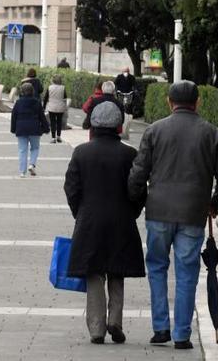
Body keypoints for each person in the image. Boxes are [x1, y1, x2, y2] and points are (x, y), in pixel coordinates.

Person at [128, 81, 218, 350]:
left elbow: (138, 173)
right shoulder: (212, 134)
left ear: (169, 102)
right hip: (193, 214)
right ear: (197, 102)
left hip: (159, 212)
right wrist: (216, 203)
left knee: (157, 267)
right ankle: (182, 334)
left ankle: (160, 327)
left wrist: (137, 201)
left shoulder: (154, 131)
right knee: (187, 273)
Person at [65, 102, 145, 345]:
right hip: (122, 219)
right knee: (117, 271)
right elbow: (138, 189)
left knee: (94, 273)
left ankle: (97, 328)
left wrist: (80, 212)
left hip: (90, 220)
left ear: (95, 125)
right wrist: (133, 211)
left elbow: (71, 188)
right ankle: (115, 321)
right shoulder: (129, 154)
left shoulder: (81, 152)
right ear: (118, 125)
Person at [10, 82, 48, 177]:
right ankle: (32, 164)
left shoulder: (19, 102)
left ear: (22, 91)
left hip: (21, 128)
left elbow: (14, 116)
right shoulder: (37, 102)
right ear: (32, 91)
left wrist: (13, 128)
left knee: (22, 150)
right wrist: (46, 128)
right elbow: (42, 116)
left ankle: (22, 171)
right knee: (35, 148)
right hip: (34, 128)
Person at [43, 75, 68, 144]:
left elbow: (45, 98)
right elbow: (65, 97)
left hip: (52, 107)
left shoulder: (49, 88)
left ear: (53, 80)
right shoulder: (63, 88)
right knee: (59, 122)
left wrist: (44, 107)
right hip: (60, 107)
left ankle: (53, 137)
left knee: (53, 122)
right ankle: (59, 136)